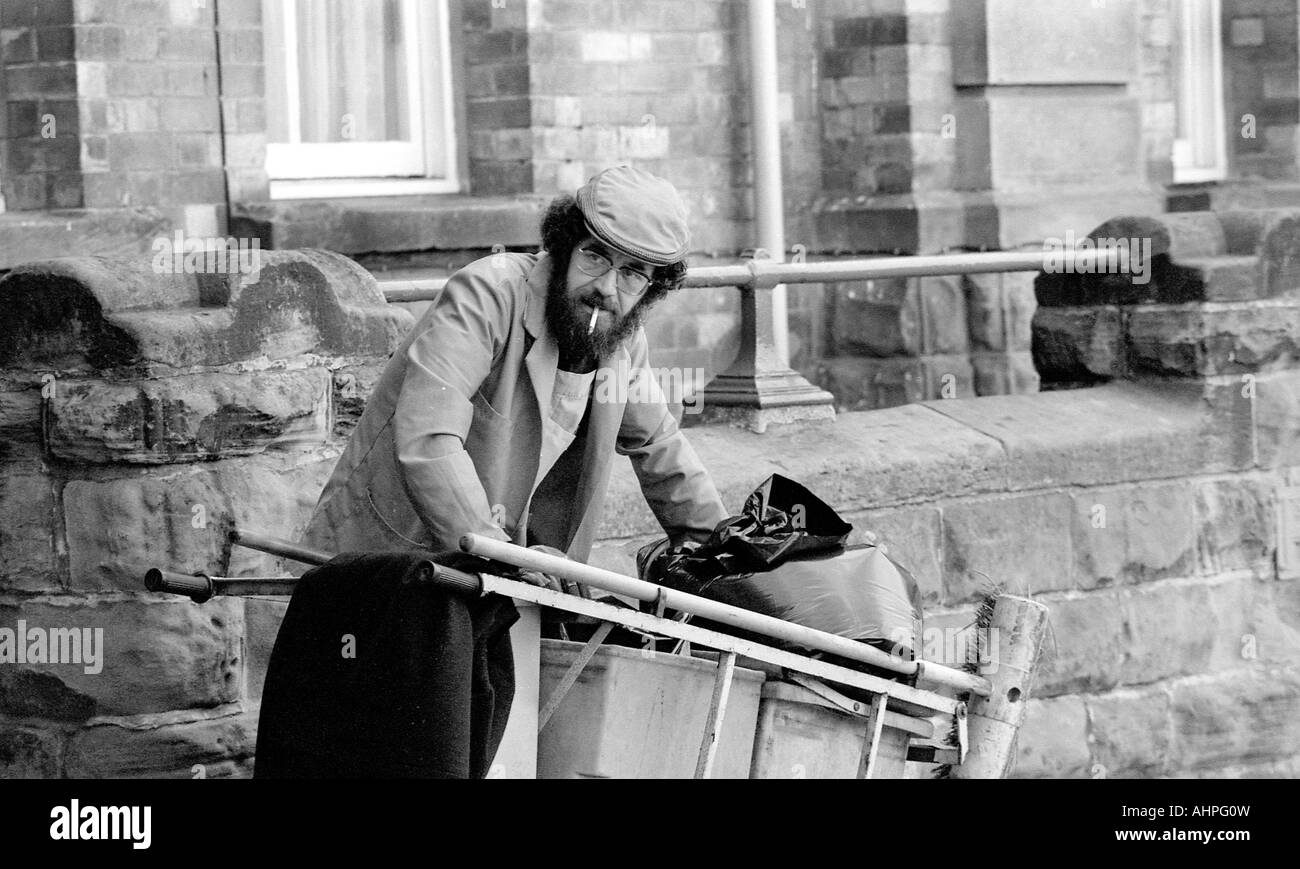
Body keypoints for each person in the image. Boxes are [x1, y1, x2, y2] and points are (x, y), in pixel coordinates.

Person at [299, 166, 728, 592]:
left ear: (653, 287)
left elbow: (662, 451)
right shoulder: (488, 293)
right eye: (594, 255)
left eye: (633, 272)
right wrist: (504, 557)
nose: (607, 287)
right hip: (391, 561)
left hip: (494, 578)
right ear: (564, 246)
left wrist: (729, 553)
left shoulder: (622, 342)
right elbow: (430, 438)